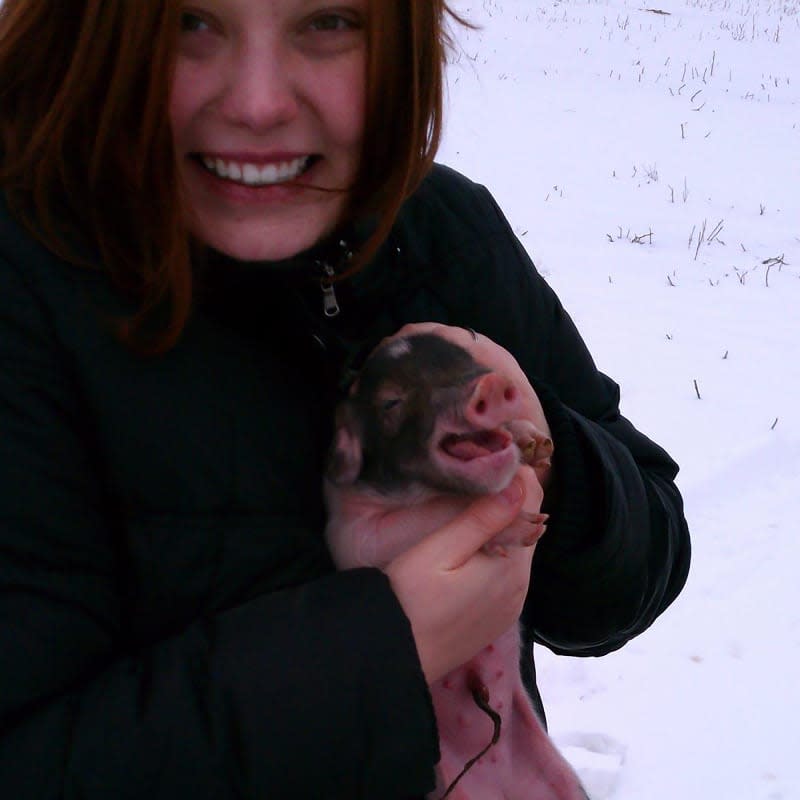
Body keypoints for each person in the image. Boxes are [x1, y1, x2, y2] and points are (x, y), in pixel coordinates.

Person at [0, 0, 690, 797]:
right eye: (187, 22)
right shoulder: (27, 301)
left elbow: (642, 563)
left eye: (327, 21)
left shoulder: (444, 232)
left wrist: (552, 464)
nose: (259, 103)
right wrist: (379, 653)